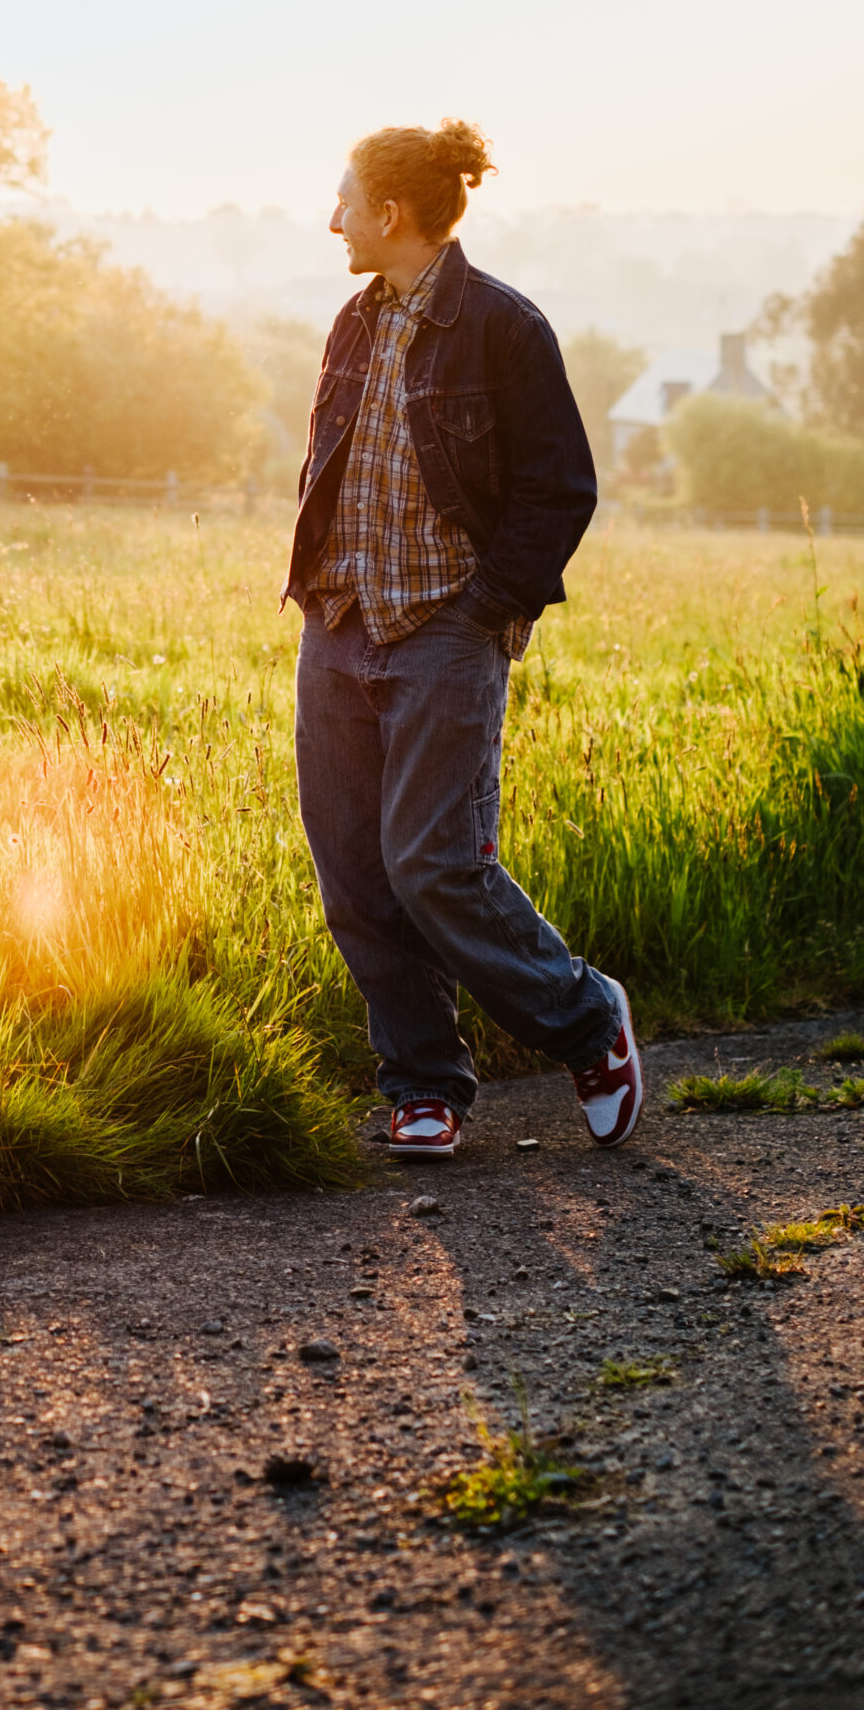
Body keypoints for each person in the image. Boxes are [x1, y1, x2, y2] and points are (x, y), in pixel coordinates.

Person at [282, 119, 642, 1157]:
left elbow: (559, 489)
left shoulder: (504, 329)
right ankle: (424, 1085)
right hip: (341, 626)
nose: (332, 217)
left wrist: (487, 610)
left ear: (390, 213)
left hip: (446, 630)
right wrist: (316, 592)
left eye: (344, 199)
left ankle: (584, 1018)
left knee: (434, 863)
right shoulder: (353, 321)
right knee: (354, 872)